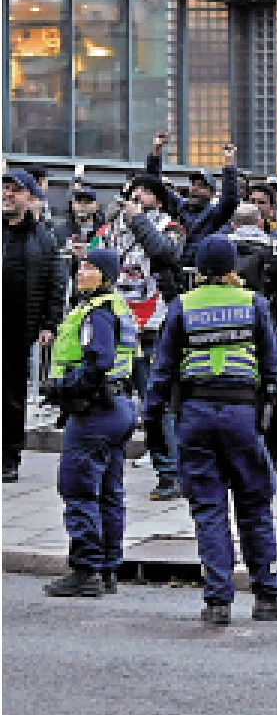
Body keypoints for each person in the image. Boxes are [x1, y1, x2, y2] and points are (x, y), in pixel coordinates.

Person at [143, 236, 277, 625]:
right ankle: (268, 595)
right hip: (243, 414)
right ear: (232, 269)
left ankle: (217, 601)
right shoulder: (253, 304)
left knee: (209, 509)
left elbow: (161, 373)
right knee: (255, 505)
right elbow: (274, 372)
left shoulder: (183, 307)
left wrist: (153, 423)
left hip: (195, 415)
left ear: (198, 269)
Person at [40, 249, 140, 597]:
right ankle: (108, 567)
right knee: (109, 492)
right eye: (81, 266)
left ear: (106, 276)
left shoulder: (98, 313)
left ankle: (86, 570)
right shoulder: (116, 308)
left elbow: (98, 361)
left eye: (89, 268)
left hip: (95, 411)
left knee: (80, 488)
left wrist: (60, 388)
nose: (80, 272)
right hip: (117, 406)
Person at [103, 170, 188, 499]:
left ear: (159, 199)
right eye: (133, 191)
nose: (136, 196)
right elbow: (101, 259)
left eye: (145, 192)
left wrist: (139, 221)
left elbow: (165, 253)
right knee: (112, 399)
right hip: (118, 324)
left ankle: (170, 473)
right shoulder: (117, 227)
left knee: (155, 402)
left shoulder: (171, 226)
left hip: (154, 325)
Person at [3, 171, 65, 482]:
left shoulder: (43, 238)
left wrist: (48, 324)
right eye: (5, 189)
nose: (7, 195)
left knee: (11, 397)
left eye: (15, 190)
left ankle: (8, 458)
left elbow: (56, 283)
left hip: (17, 329)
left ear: (30, 197)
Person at [145, 133, 241, 267]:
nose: (195, 189)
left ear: (212, 194)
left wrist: (229, 163)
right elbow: (155, 185)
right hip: (173, 274)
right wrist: (156, 151)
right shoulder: (179, 206)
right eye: (193, 185)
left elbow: (230, 199)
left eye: (201, 186)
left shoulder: (214, 215)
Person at [228, 204, 277, 356]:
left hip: (228, 321)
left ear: (233, 225)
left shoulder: (221, 248)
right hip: (265, 321)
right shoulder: (275, 251)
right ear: (261, 223)